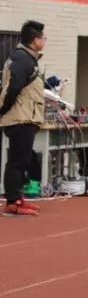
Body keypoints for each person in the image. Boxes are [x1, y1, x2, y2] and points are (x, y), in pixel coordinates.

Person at [1, 20, 46, 217]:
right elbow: (13, 89)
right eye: (43, 38)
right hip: (19, 119)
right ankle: (13, 201)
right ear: (35, 40)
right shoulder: (21, 59)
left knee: (21, 159)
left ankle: (17, 197)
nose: (45, 41)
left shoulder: (28, 59)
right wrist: (3, 111)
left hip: (27, 117)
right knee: (17, 162)